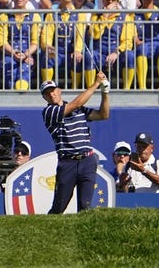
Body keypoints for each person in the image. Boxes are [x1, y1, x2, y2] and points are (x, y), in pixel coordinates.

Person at [40, 73, 110, 212]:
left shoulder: (79, 109)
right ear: (44, 97)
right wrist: (96, 83)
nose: (51, 94)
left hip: (87, 161)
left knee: (85, 206)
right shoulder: (49, 112)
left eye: (53, 90)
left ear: (59, 90)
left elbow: (103, 115)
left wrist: (105, 92)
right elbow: (76, 103)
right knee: (59, 207)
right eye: (47, 93)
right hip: (67, 164)